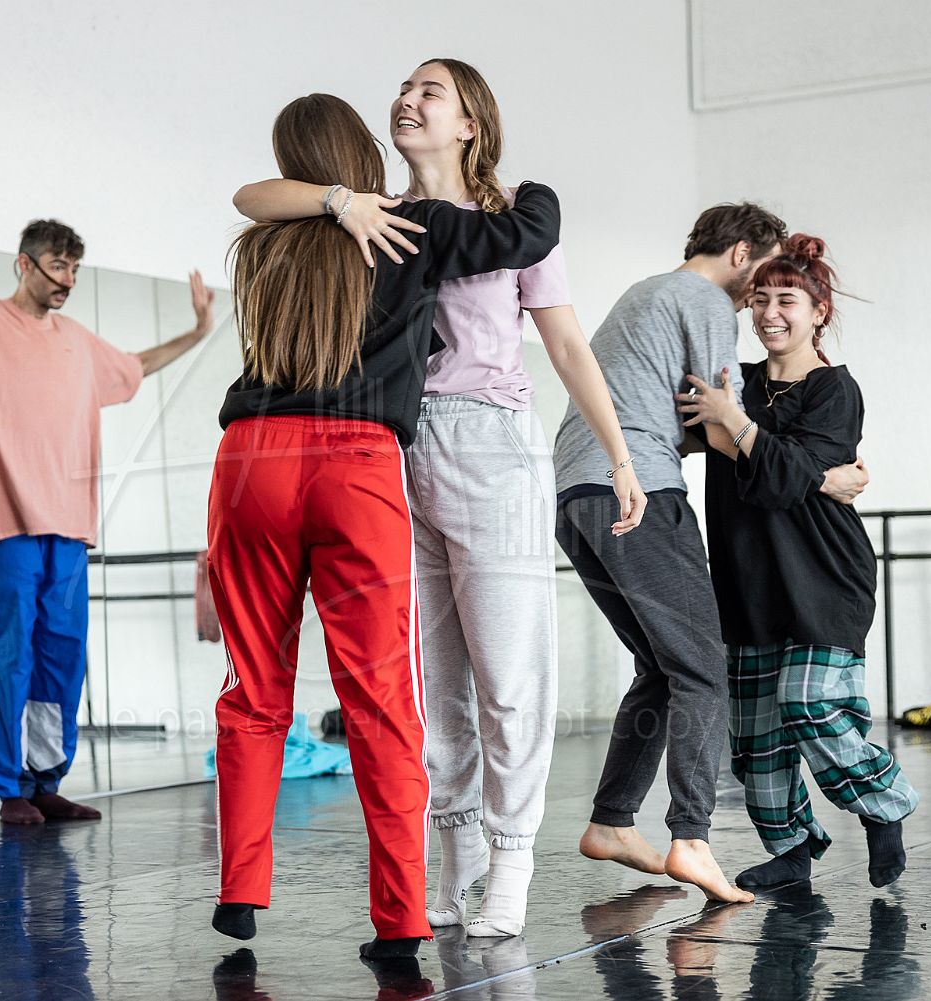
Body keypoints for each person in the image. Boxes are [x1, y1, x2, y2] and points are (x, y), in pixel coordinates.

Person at [231, 57, 646, 938]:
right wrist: (340, 201)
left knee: (509, 674)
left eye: (431, 91)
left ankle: (512, 860)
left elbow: (566, 345)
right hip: (392, 450)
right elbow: (254, 199)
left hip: (491, 442)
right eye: (404, 88)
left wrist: (619, 454)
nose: (407, 99)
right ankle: (456, 860)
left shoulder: (514, 218)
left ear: (469, 124)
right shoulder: (369, 215)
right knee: (429, 684)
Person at [553, 204, 871, 903]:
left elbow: (695, 424)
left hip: (577, 494)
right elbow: (728, 423)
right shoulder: (702, 301)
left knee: (662, 667)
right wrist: (826, 479)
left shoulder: (647, 295)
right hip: (639, 493)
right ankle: (692, 839)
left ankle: (611, 820)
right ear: (741, 254)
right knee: (703, 670)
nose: (762, 299)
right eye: (763, 276)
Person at [0, 220, 213, 825]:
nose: (68, 280)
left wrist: (197, 332)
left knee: (62, 661)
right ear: (23, 264)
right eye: (58, 267)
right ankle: (8, 787)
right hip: (7, 528)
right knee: (12, 661)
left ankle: (44, 781)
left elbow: (134, 366)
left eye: (75, 269)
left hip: (71, 530)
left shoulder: (77, 340)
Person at [676, 234, 919, 890]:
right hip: (748, 578)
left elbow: (781, 479)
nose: (769, 312)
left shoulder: (834, 389)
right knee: (756, 740)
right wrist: (810, 471)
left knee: (810, 700)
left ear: (819, 311)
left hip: (824, 573)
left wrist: (737, 427)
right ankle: (791, 848)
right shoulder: (737, 380)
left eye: (787, 299)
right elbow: (767, 460)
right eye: (759, 299)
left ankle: (884, 802)